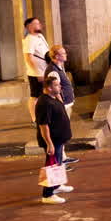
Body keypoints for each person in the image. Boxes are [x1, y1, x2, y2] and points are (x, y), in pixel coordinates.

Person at [36, 74, 74, 204]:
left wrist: (58, 95)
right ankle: (47, 195)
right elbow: (43, 125)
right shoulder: (44, 103)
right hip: (53, 140)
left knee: (58, 163)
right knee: (51, 165)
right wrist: (49, 144)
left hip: (59, 139)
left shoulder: (53, 97)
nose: (60, 86)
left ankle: (57, 186)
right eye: (56, 85)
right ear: (48, 88)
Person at [22, 17, 49, 122]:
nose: (40, 24)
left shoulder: (40, 36)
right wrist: (38, 73)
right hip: (36, 74)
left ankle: (45, 115)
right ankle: (34, 119)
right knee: (35, 96)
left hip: (44, 71)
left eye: (39, 22)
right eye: (36, 23)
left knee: (44, 94)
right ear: (29, 27)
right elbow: (28, 57)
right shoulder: (29, 40)